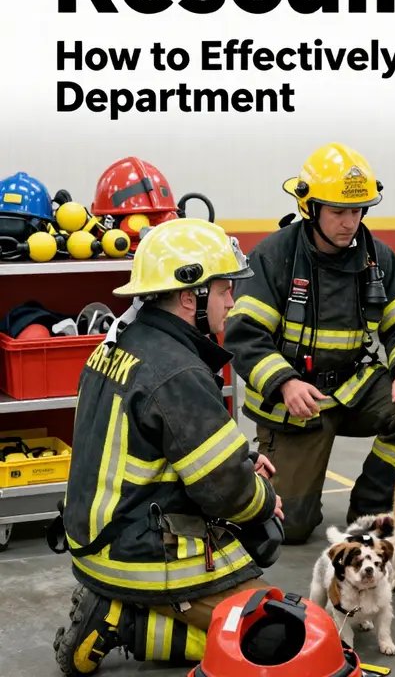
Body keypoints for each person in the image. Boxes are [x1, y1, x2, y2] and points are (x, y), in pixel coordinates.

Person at [51, 218, 284, 676]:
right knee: (268, 636)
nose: (232, 301)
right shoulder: (177, 371)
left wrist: (240, 460)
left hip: (96, 535)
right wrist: (265, 500)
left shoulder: (122, 342)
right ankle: (122, 618)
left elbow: (167, 444)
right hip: (132, 550)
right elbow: (227, 493)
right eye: (223, 290)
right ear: (189, 296)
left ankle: (121, 609)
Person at [224, 142, 395, 544]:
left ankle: (371, 504)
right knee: (291, 527)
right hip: (297, 400)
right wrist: (285, 382)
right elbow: (244, 334)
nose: (350, 222)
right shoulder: (274, 257)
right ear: (310, 208)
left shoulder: (378, 258)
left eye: (357, 211)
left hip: (354, 387)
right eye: (338, 212)